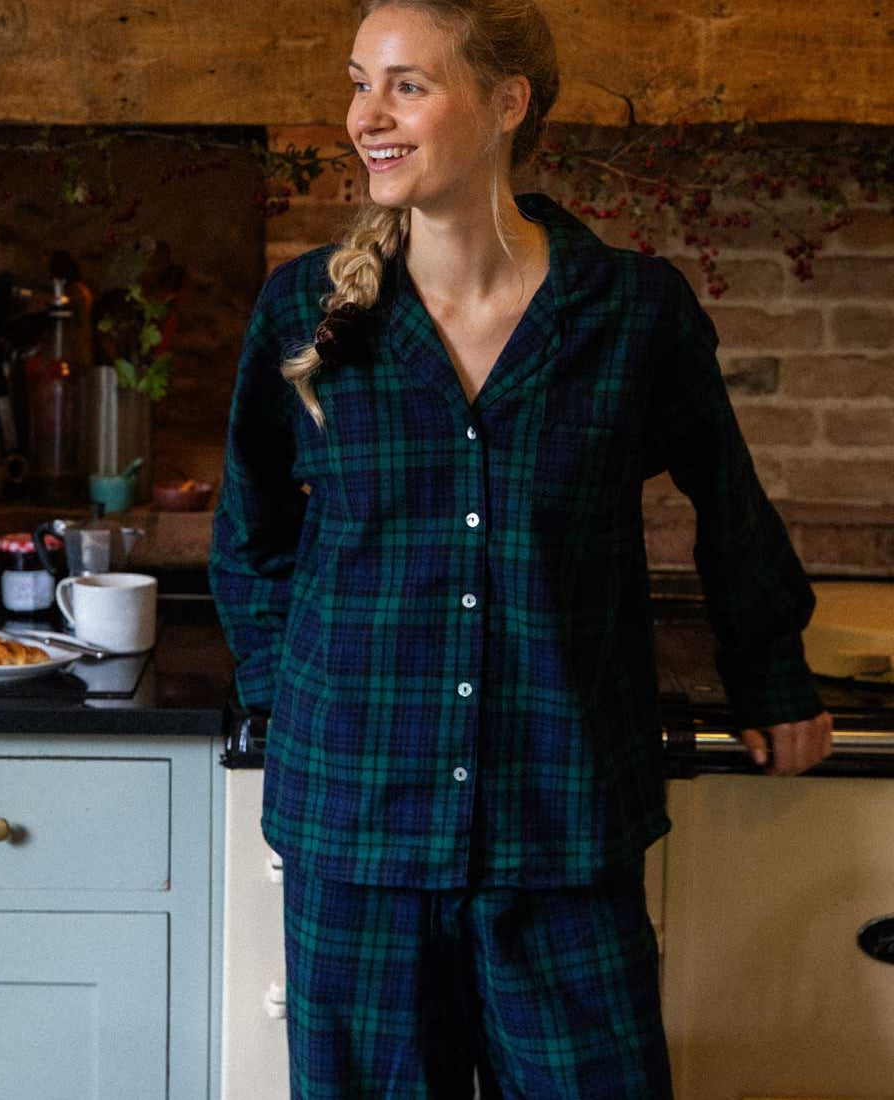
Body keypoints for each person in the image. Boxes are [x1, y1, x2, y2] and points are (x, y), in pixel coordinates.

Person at [209, 1, 835, 1095]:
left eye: (407, 85)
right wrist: (287, 701)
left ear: (507, 104)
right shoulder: (303, 310)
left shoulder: (630, 312)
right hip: (356, 827)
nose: (366, 116)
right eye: (361, 82)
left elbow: (727, 506)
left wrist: (772, 673)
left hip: (563, 819)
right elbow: (250, 532)